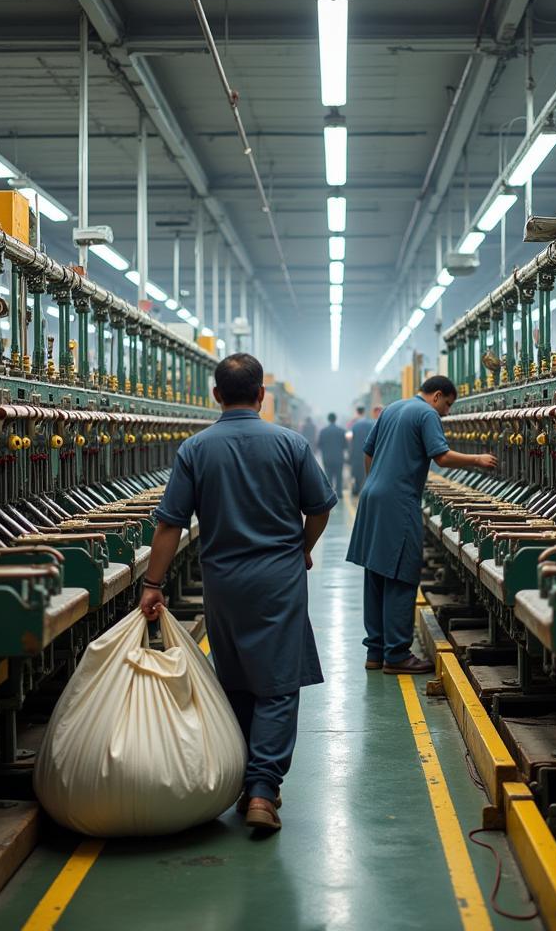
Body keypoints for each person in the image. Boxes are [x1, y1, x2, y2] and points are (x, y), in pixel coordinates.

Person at [139, 353, 337, 833]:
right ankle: (263, 790)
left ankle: (243, 779)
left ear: (215, 396)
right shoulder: (290, 443)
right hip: (278, 579)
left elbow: (170, 523)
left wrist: (152, 583)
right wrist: (301, 550)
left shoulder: (195, 449)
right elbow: (320, 507)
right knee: (277, 682)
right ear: (262, 395)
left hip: (223, 582)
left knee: (237, 679)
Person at [346, 376, 496, 674]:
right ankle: (398, 655)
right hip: (398, 502)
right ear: (437, 396)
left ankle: (375, 653)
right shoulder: (427, 413)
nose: (447, 413)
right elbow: (441, 456)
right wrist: (478, 459)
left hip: (372, 497)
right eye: (448, 405)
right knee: (402, 576)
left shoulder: (391, 408)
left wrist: (375, 481)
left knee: (376, 575)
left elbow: (368, 451)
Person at [317, 412, 347, 497]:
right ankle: (339, 493)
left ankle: (329, 494)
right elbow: (345, 446)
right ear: (335, 419)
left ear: (328, 419)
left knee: (328, 476)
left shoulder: (323, 431)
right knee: (339, 476)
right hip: (339, 458)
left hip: (327, 458)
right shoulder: (341, 431)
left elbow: (319, 445)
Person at [349, 406, 374, 496]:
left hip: (357, 453)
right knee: (367, 472)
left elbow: (351, 441)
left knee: (357, 472)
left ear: (357, 412)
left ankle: (357, 489)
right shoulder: (370, 424)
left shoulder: (354, 425)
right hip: (368, 452)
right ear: (364, 412)